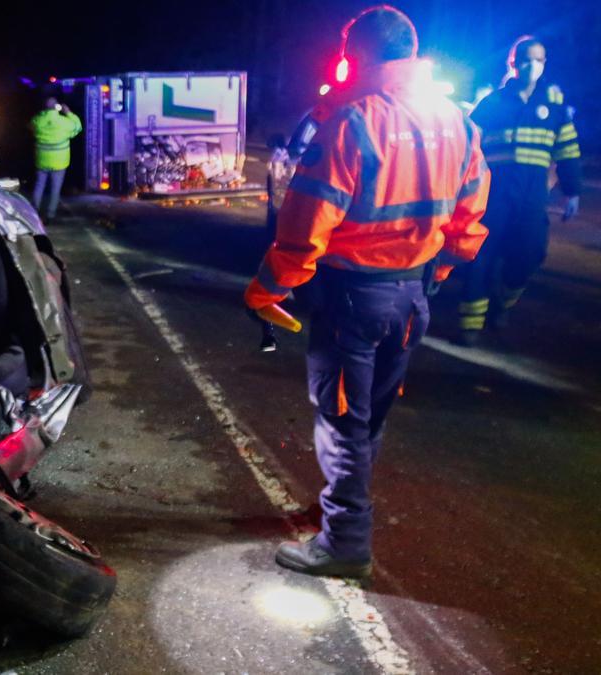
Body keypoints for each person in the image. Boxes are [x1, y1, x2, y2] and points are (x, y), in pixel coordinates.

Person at [243, 5, 490, 578]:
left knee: (341, 418)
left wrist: (267, 289)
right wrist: (441, 267)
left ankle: (346, 541)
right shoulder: (454, 119)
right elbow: (472, 207)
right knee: (370, 413)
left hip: (353, 295)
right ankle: (339, 507)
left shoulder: (353, 121)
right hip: (412, 296)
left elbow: (307, 224)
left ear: (356, 53)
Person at [456, 36, 583, 345]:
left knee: (530, 253)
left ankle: (503, 303)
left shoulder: (553, 108)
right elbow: (466, 147)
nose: (532, 66)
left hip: (531, 199)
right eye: (526, 59)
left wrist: (572, 190)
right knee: (479, 258)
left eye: (538, 60)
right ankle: (470, 325)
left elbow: (567, 151)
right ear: (512, 63)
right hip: (492, 196)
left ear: (545, 64)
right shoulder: (492, 105)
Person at [30, 98, 82, 219]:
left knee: (39, 185)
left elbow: (32, 126)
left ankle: (33, 213)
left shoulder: (38, 121)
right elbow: (78, 127)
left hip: (41, 161)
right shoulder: (64, 122)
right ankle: (50, 214)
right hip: (59, 162)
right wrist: (68, 112)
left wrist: (43, 113)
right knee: (55, 189)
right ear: (57, 107)